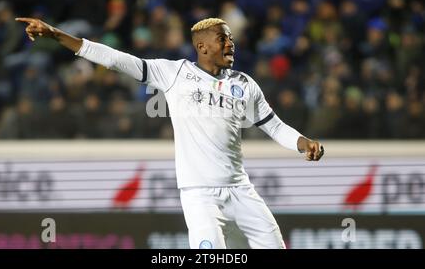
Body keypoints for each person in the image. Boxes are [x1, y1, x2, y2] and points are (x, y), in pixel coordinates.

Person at [16, 17, 324, 249]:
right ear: (202, 46)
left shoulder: (243, 84)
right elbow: (115, 59)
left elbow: (273, 125)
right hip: (199, 195)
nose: (231, 44)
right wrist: (57, 35)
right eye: (223, 39)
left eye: (230, 39)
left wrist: (302, 143)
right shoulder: (174, 73)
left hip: (241, 191)